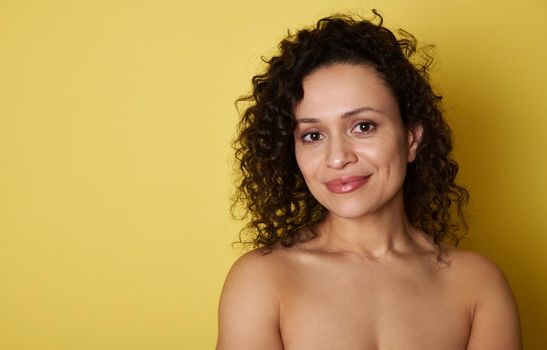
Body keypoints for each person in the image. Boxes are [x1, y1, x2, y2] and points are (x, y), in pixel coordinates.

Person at [216, 11, 521, 350]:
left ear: (411, 139)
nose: (337, 157)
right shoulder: (263, 281)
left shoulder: (477, 285)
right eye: (313, 135)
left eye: (363, 126)